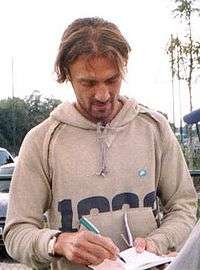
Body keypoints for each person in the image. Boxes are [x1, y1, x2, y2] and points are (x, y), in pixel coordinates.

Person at [3, 17, 197, 270]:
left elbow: (183, 206)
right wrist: (58, 243)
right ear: (66, 75)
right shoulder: (42, 141)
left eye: (112, 79)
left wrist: (158, 242)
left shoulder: (155, 129)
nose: (103, 95)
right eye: (88, 83)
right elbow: (16, 233)